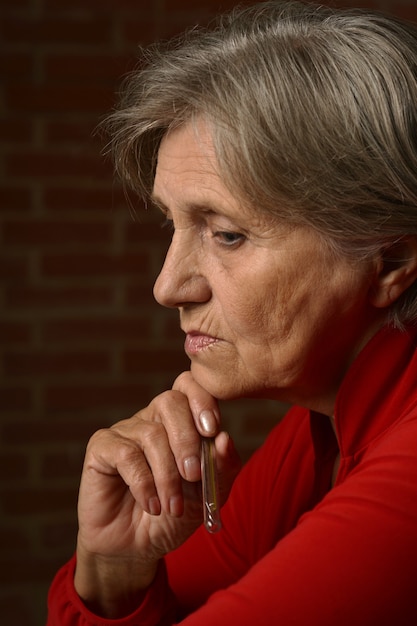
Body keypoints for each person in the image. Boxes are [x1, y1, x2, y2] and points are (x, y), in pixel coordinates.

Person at [47, 1, 417, 624]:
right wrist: (113, 568)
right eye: (173, 225)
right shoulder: (313, 433)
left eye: (227, 235)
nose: (168, 286)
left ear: (388, 261)